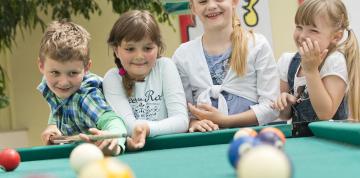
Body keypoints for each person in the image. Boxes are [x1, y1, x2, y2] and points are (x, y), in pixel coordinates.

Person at [172, 0, 279, 132]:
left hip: (251, 141)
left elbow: (271, 107)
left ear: (234, 2)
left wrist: (225, 121)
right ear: (193, 8)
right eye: (202, 1)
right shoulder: (182, 55)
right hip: (203, 144)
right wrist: (191, 123)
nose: (211, 6)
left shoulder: (257, 45)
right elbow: (181, 112)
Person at [38, 20, 127, 156]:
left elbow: (114, 122)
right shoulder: (51, 85)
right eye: (55, 73)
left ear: (86, 68)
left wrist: (112, 141)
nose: (63, 82)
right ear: (42, 66)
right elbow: (58, 104)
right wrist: (52, 126)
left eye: (73, 73)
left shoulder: (86, 97)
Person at [103, 10, 189, 150]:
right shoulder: (112, 78)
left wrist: (146, 128)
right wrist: (144, 128)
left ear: (158, 47)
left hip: (170, 150)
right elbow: (127, 126)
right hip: (134, 154)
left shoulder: (165, 67)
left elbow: (181, 121)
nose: (139, 56)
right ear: (116, 50)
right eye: (130, 49)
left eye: (147, 48)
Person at [273, 0, 360, 122]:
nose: (302, 35)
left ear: (336, 37)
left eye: (313, 30)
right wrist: (285, 103)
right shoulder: (287, 61)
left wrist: (311, 71)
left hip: (329, 139)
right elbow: (284, 116)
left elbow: (325, 114)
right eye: (299, 27)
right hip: (300, 140)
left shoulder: (334, 61)